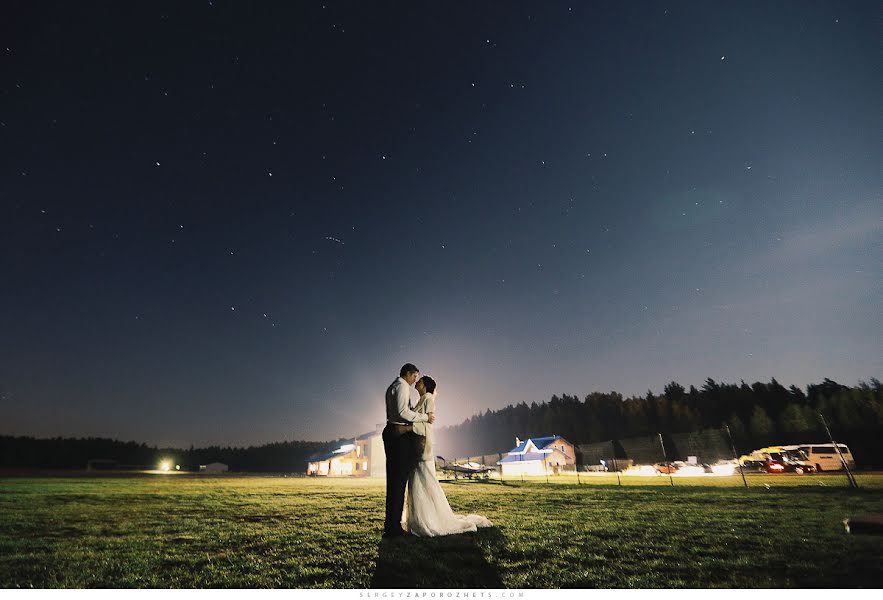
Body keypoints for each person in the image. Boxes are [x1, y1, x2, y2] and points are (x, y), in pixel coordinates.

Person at [401, 375, 493, 536]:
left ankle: (427, 519)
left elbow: (427, 425)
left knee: (424, 481)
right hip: (416, 445)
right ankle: (419, 518)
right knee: (418, 481)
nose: (417, 382)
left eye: (420, 381)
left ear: (425, 386)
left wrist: (408, 429)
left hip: (422, 446)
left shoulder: (428, 398)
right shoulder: (422, 399)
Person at [381, 363, 435, 538]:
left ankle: (391, 523)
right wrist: (425, 417)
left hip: (393, 432)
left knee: (395, 480)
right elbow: (403, 412)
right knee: (399, 480)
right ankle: (393, 527)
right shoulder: (403, 387)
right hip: (397, 434)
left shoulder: (393, 386)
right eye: (414, 376)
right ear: (408, 374)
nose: (415, 380)